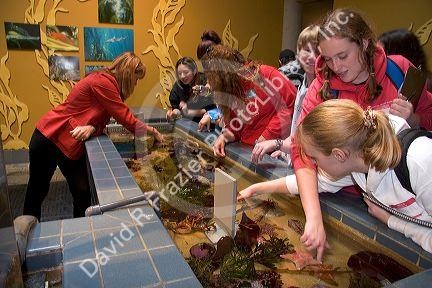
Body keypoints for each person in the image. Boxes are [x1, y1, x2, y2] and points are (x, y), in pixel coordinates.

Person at [244, 8, 432, 261]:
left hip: (404, 190)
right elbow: (304, 151)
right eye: (329, 58)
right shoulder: (321, 89)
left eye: (342, 55)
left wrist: (414, 120)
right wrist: (312, 216)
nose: (336, 66)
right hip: (364, 189)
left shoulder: (398, 71)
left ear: (364, 43)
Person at [23, 52, 164, 220]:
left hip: (70, 142)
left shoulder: (107, 83)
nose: (136, 83)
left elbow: (101, 120)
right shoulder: (103, 81)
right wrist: (153, 131)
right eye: (137, 77)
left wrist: (91, 127)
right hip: (49, 136)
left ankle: (83, 232)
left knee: (82, 193)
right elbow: (127, 119)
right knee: (37, 190)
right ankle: (27, 235)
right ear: (128, 73)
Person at [295, 99, 432, 253]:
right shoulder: (358, 163)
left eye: (314, 158)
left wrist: (391, 221)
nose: (313, 164)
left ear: (339, 155)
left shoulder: (421, 161)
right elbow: (312, 184)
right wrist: (261, 188)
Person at [201, 44, 296, 157]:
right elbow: (235, 125)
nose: (209, 81)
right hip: (248, 151)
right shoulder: (230, 91)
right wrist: (223, 136)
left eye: (211, 77)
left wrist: (266, 136)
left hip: (277, 152)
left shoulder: (266, 74)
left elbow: (290, 104)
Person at [252, 25, 319, 163]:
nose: (312, 57)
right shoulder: (304, 84)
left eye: (318, 52)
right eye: (307, 50)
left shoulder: (325, 89)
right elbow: (297, 130)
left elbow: (315, 141)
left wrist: (279, 144)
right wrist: (285, 150)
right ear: (298, 53)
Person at [166, 57, 217, 124]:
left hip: (208, 124)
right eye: (179, 73)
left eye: (186, 72)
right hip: (188, 125)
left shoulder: (205, 81)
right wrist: (174, 113)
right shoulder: (178, 86)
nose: (182, 76)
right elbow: (177, 108)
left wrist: (197, 112)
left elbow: (217, 110)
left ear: (194, 70)